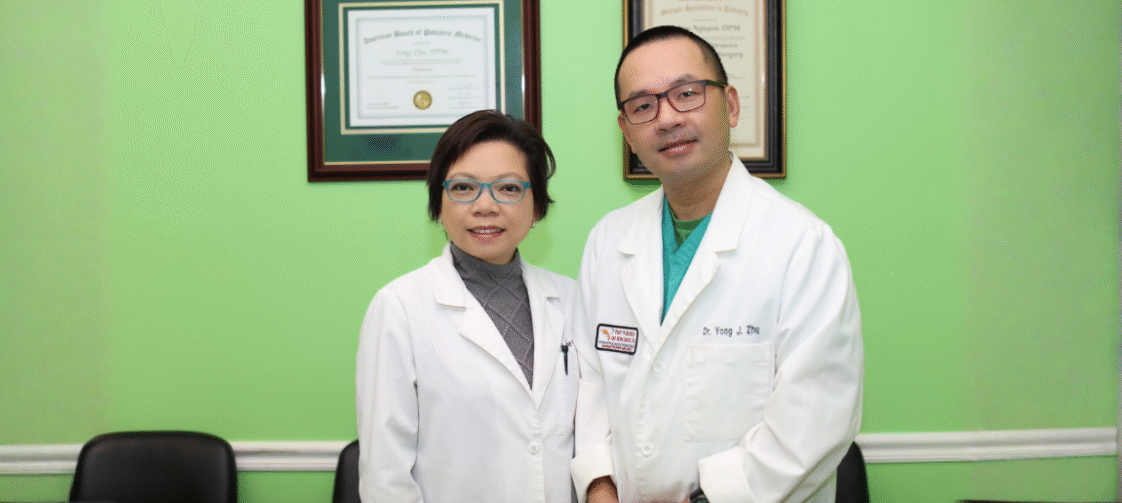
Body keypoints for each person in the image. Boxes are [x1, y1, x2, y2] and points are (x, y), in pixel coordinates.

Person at [570, 26, 863, 503]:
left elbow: (815, 423)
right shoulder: (608, 240)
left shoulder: (802, 246)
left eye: (686, 94)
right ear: (626, 131)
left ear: (729, 104)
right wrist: (600, 484)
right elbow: (591, 382)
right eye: (643, 106)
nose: (666, 118)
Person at [356, 110, 578, 503]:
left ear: (538, 206)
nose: (485, 206)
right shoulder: (400, 307)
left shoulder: (573, 299)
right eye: (463, 188)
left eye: (508, 188)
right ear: (438, 206)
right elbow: (386, 476)